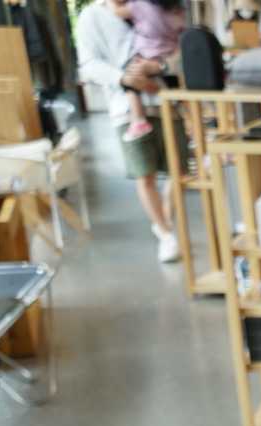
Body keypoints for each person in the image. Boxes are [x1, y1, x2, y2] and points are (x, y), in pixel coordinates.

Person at [75, 0, 178, 263]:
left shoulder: (152, 5)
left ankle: (167, 221)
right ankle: (166, 233)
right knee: (144, 173)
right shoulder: (91, 16)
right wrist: (122, 78)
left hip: (169, 100)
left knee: (178, 172)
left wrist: (160, 66)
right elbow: (88, 64)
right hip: (125, 107)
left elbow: (178, 44)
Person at [109, 0, 183, 142]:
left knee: (131, 79)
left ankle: (138, 120)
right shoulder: (176, 9)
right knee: (174, 93)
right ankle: (192, 125)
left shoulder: (140, 6)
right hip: (168, 54)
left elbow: (117, 12)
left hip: (147, 54)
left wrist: (111, 4)